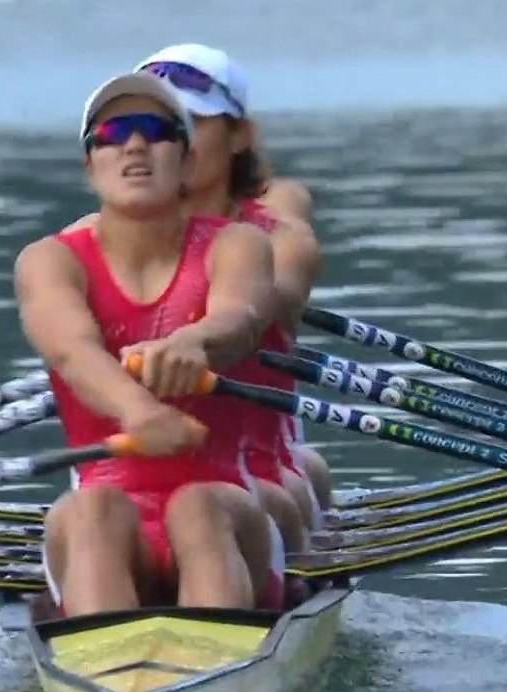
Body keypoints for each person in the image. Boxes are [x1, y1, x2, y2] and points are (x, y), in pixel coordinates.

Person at [14, 70, 286, 616]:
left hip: (225, 502)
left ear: (186, 163)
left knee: (196, 508)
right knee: (90, 510)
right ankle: (107, 680)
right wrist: (140, 412)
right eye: (112, 133)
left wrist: (195, 341)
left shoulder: (237, 244)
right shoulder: (50, 260)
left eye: (154, 129)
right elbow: (71, 351)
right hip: (106, 511)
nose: (133, 143)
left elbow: (241, 316)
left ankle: (215, 674)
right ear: (91, 165)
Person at [62, 44, 336, 553]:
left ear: (239, 136)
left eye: (185, 123)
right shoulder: (77, 246)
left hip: (250, 479)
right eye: (135, 128)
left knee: (299, 483)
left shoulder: (279, 241)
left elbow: (246, 316)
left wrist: (197, 333)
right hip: (116, 484)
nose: (153, 144)